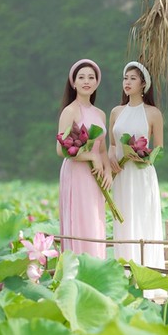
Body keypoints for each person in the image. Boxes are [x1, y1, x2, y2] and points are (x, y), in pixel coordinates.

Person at [109, 61, 165, 295]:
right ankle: (123, 276)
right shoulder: (116, 112)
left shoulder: (153, 113)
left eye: (132, 78)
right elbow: (112, 144)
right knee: (124, 221)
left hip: (142, 175)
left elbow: (159, 148)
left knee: (142, 219)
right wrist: (113, 156)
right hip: (121, 175)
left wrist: (145, 158)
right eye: (125, 78)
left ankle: (147, 275)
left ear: (143, 84)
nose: (127, 82)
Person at [57, 59, 112, 258]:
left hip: (95, 176)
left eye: (91, 77)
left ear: (97, 82)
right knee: (79, 219)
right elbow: (60, 149)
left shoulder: (100, 114)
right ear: (73, 83)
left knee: (94, 220)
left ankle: (96, 264)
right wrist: (90, 155)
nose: (86, 81)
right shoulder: (70, 111)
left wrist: (108, 172)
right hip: (76, 173)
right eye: (81, 77)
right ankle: (77, 269)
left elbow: (103, 150)